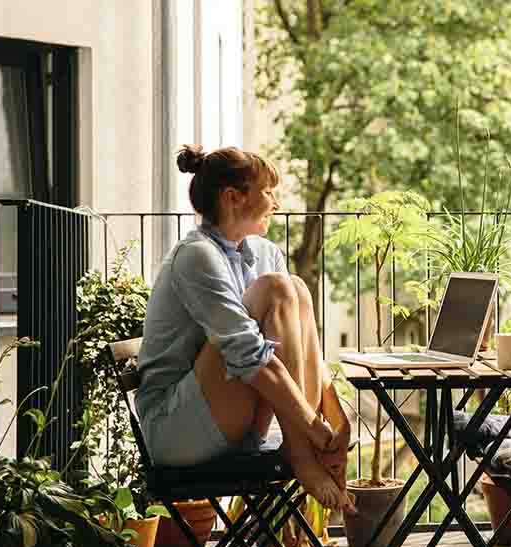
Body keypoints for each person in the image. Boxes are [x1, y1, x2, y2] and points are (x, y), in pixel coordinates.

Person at [136, 144, 354, 513]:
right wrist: (315, 431)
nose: (275, 202)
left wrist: (335, 420)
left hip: (232, 417)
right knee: (276, 289)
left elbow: (300, 348)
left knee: (295, 288)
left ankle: (303, 449)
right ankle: (300, 455)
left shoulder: (264, 253)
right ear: (233, 198)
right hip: (176, 430)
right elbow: (249, 357)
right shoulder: (196, 256)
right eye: (267, 192)